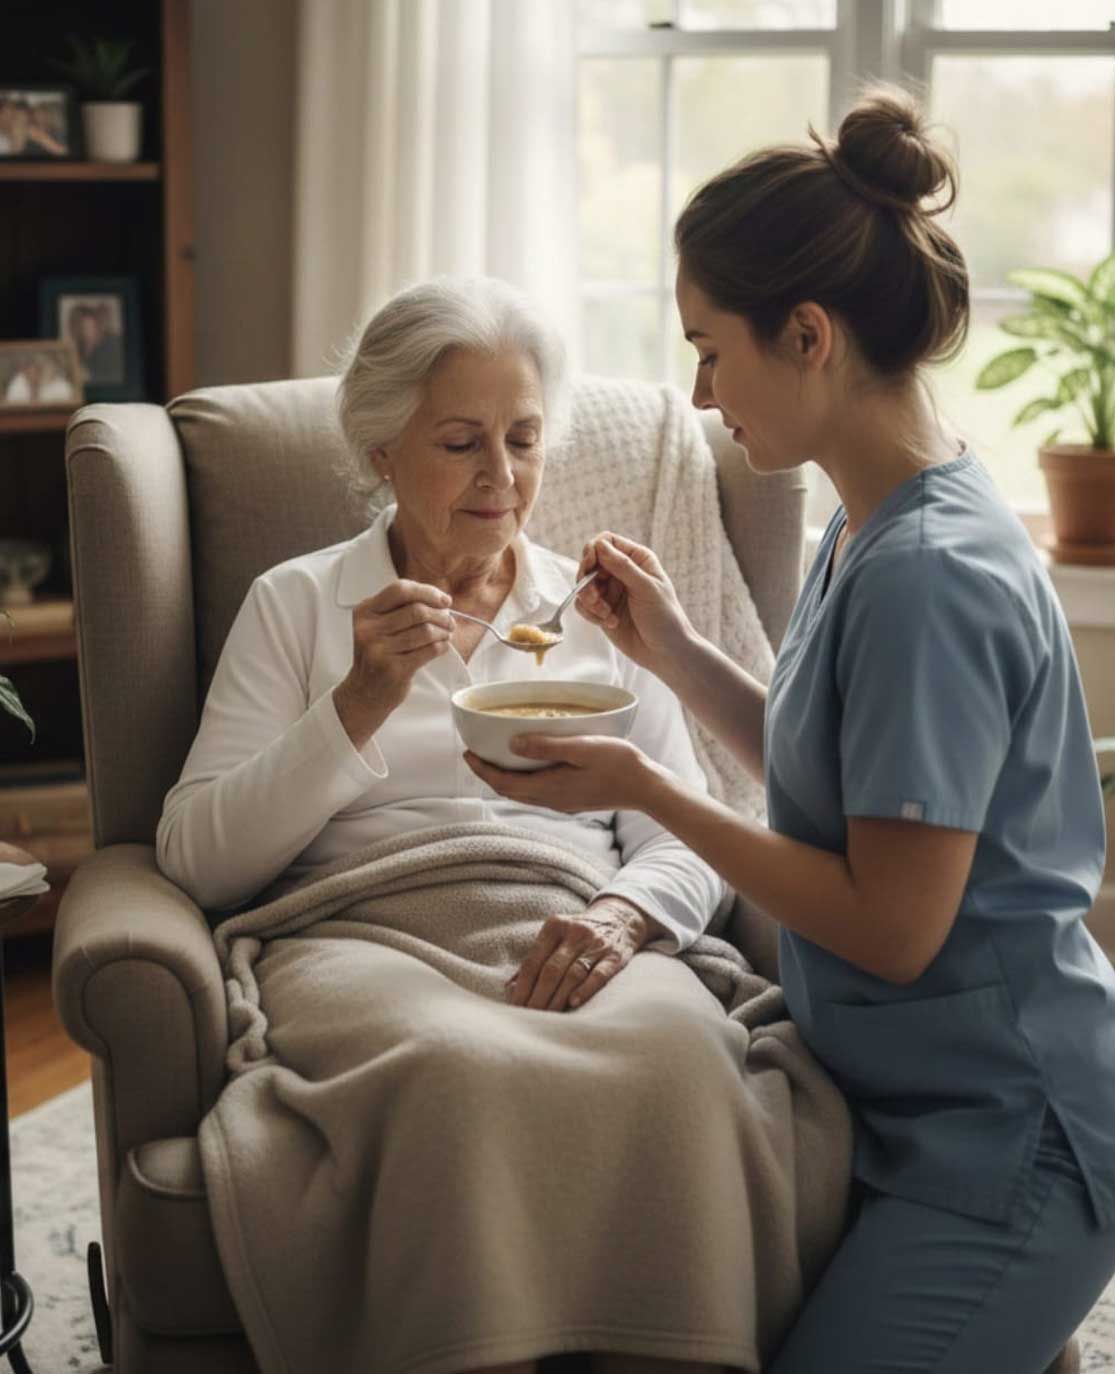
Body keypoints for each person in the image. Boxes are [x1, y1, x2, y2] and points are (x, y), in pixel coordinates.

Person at [468, 85, 1115, 1374]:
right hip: (924, 1108)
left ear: (806, 335)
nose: (697, 392)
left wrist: (646, 790)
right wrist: (674, 652)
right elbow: (834, 772)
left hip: (1017, 1136)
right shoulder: (879, 516)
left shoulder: (925, 576)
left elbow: (890, 927)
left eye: (709, 349)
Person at [157, 277, 837, 1374]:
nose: (501, 476)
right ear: (381, 450)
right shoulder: (299, 605)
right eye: (461, 441)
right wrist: (356, 707)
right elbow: (195, 855)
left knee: (675, 1056)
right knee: (455, 1068)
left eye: (522, 439)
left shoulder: (598, 612)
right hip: (365, 933)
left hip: (576, 915)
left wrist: (625, 914)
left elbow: (682, 827)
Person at [66, 301, 122, 382]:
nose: (89, 332)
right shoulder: (76, 350)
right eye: (83, 328)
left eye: (91, 326)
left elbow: (113, 378)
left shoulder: (112, 344)